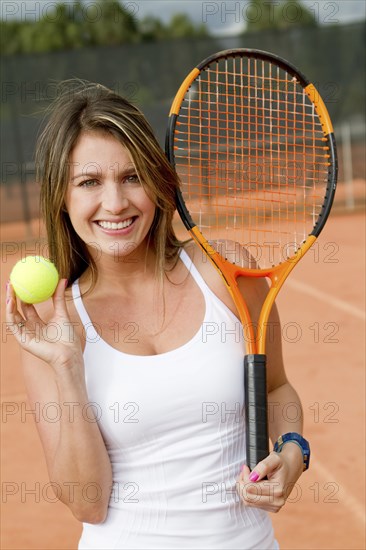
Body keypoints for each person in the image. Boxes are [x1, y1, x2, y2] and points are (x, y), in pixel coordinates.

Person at [6, 80, 309, 550]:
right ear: (62, 201)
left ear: (157, 180)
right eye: (89, 183)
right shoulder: (54, 330)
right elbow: (88, 504)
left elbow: (277, 387)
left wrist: (293, 451)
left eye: (131, 177)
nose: (116, 203)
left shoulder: (225, 270)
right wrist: (67, 368)